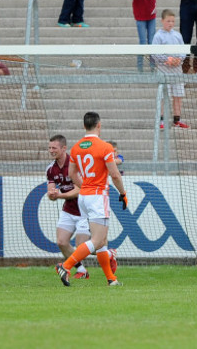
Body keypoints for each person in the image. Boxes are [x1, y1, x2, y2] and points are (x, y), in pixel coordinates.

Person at [56, 112, 127, 287]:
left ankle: (111, 279)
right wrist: (123, 193)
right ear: (99, 125)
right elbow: (115, 174)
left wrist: (85, 185)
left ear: (84, 126)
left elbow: (72, 173)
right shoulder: (105, 147)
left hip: (84, 197)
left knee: (101, 241)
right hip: (97, 196)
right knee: (97, 240)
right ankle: (66, 266)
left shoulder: (76, 147)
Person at [47, 134, 90, 280]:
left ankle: (108, 253)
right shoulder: (51, 169)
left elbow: (81, 189)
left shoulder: (75, 164)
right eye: (49, 148)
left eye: (54, 148)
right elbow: (51, 192)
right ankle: (82, 270)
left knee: (82, 246)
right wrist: (52, 194)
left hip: (84, 211)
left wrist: (59, 195)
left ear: (64, 148)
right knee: (61, 242)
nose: (51, 150)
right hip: (68, 210)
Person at [152, 9, 189, 129]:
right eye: (168, 21)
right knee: (163, 95)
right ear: (162, 21)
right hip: (164, 69)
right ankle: (161, 120)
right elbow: (154, 53)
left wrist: (179, 59)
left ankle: (177, 119)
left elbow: (184, 50)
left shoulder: (177, 35)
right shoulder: (158, 36)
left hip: (177, 69)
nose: (170, 23)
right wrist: (166, 59)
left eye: (173, 21)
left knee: (178, 94)